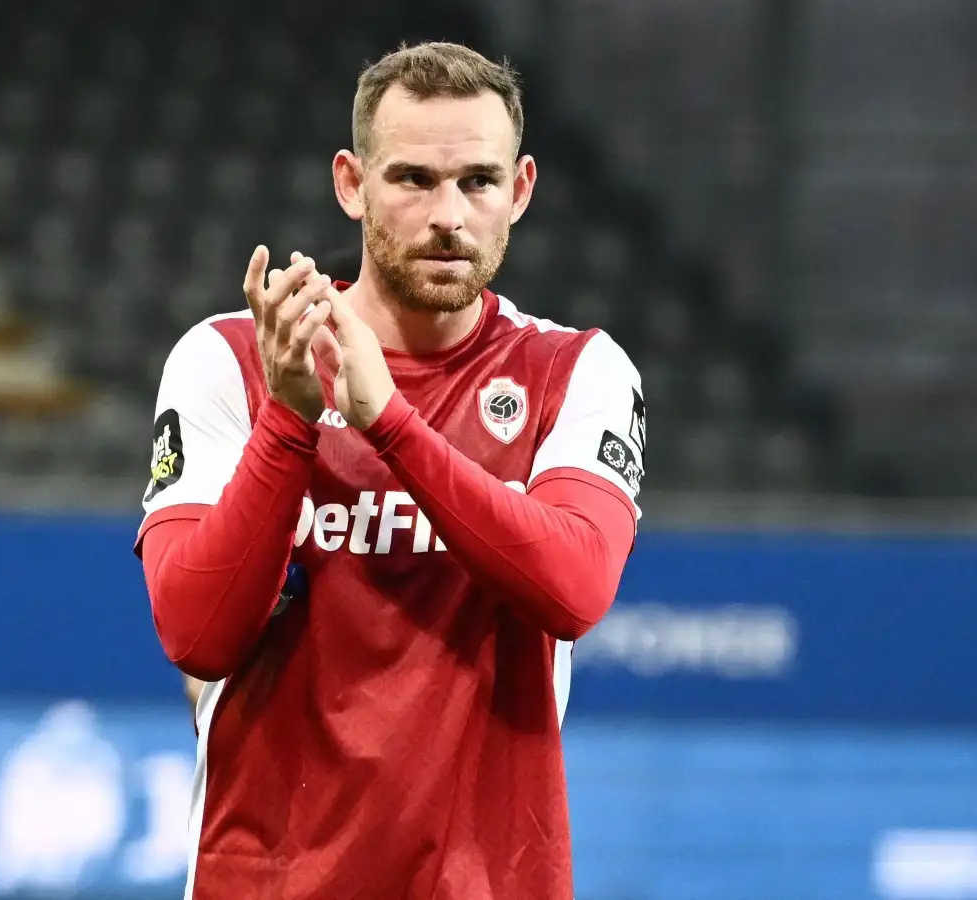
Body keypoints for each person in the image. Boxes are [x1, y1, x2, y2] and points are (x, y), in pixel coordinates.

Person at [135, 42, 644, 899]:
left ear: (520, 190)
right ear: (352, 183)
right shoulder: (233, 360)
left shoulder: (575, 371)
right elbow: (196, 633)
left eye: (478, 182)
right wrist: (289, 421)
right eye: (413, 179)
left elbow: (575, 588)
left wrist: (389, 423)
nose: (449, 215)